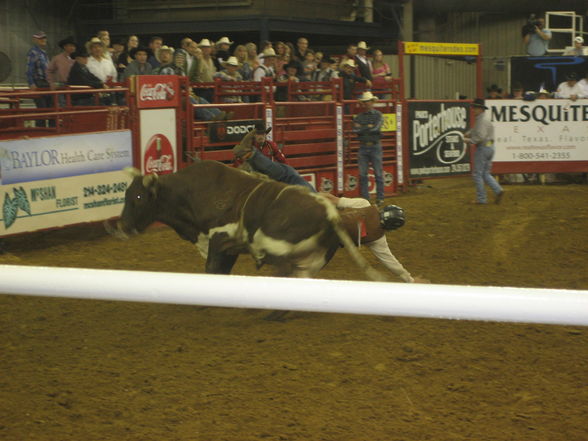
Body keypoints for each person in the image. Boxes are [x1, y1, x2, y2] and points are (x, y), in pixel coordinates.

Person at [321, 193, 417, 283]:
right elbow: (391, 262)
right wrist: (409, 279)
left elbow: (333, 200)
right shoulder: (377, 240)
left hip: (322, 220)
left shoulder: (364, 204)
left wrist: (312, 196)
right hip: (327, 243)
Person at [233, 124, 315, 192]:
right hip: (255, 175)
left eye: (262, 134)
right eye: (258, 134)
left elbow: (282, 160)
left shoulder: (271, 145)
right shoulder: (251, 146)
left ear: (265, 134)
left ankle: (250, 155)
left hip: (269, 174)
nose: (261, 136)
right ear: (254, 135)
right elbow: (238, 164)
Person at [464, 98, 504, 205]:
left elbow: (480, 136)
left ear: (481, 109)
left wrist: (468, 140)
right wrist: (469, 133)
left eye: (475, 108)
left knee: (477, 174)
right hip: (490, 147)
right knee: (486, 174)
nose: (473, 110)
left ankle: (481, 199)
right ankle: (498, 190)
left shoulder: (480, 121)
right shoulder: (483, 119)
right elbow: (477, 131)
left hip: (483, 148)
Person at [353, 91, 384, 205]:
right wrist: (368, 127)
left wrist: (362, 128)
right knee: (363, 174)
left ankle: (379, 197)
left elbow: (375, 128)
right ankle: (367, 198)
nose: (366, 104)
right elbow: (355, 130)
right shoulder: (361, 117)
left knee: (378, 174)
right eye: (365, 102)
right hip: (365, 147)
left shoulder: (377, 115)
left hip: (373, 146)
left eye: (368, 102)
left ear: (372, 102)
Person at [26, 31, 52, 121]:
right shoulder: (33, 52)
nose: (43, 40)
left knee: (50, 109)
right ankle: (42, 129)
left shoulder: (43, 53)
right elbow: (29, 69)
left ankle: (49, 130)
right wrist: (31, 83)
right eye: (41, 38)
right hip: (39, 83)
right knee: (42, 109)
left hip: (46, 83)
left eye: (44, 38)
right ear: (35, 40)